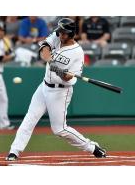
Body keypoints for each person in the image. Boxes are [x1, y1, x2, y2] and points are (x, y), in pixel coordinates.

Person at [6, 18, 106, 161]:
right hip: (44, 86)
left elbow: (67, 79)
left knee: (59, 129)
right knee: (30, 118)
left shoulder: (77, 52)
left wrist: (61, 72)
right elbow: (45, 47)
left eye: (64, 33)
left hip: (61, 91)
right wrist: (49, 59)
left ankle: (92, 147)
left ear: (71, 34)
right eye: (60, 31)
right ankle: (14, 151)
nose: (60, 34)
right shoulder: (57, 35)